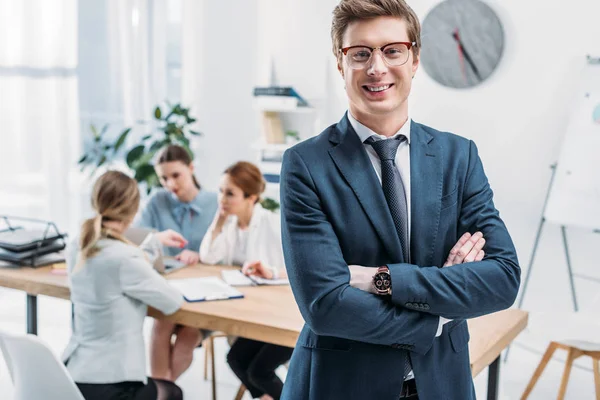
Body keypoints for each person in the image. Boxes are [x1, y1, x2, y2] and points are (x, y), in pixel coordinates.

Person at [279, 1, 521, 399]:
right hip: (342, 384)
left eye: (392, 50)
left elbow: (502, 279)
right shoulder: (306, 164)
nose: (377, 67)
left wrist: (379, 280)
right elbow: (325, 304)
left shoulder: (458, 157)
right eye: (360, 53)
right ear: (341, 65)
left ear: (414, 59)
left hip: (443, 383)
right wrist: (440, 314)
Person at [62, 170, 188, 400]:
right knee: (172, 393)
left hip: (75, 375)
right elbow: (172, 302)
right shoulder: (125, 258)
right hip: (111, 383)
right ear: (132, 210)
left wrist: (152, 243)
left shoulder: (77, 246)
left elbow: (116, 265)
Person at [200, 161, 292, 400]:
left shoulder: (273, 223)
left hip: (283, 315)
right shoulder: (230, 224)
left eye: (230, 193)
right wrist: (218, 223)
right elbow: (208, 257)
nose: (222, 198)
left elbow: (298, 269)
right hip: (252, 312)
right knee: (235, 359)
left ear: (251, 197)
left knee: (259, 371)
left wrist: (271, 271)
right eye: (221, 191)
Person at [135, 144, 218, 381]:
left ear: (191, 168)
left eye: (176, 175)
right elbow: (138, 239)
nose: (171, 184)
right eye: (164, 178)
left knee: (188, 335)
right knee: (160, 325)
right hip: (169, 287)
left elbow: (228, 250)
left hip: (207, 293)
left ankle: (163, 391)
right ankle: (164, 392)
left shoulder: (216, 202)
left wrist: (200, 255)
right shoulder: (157, 201)